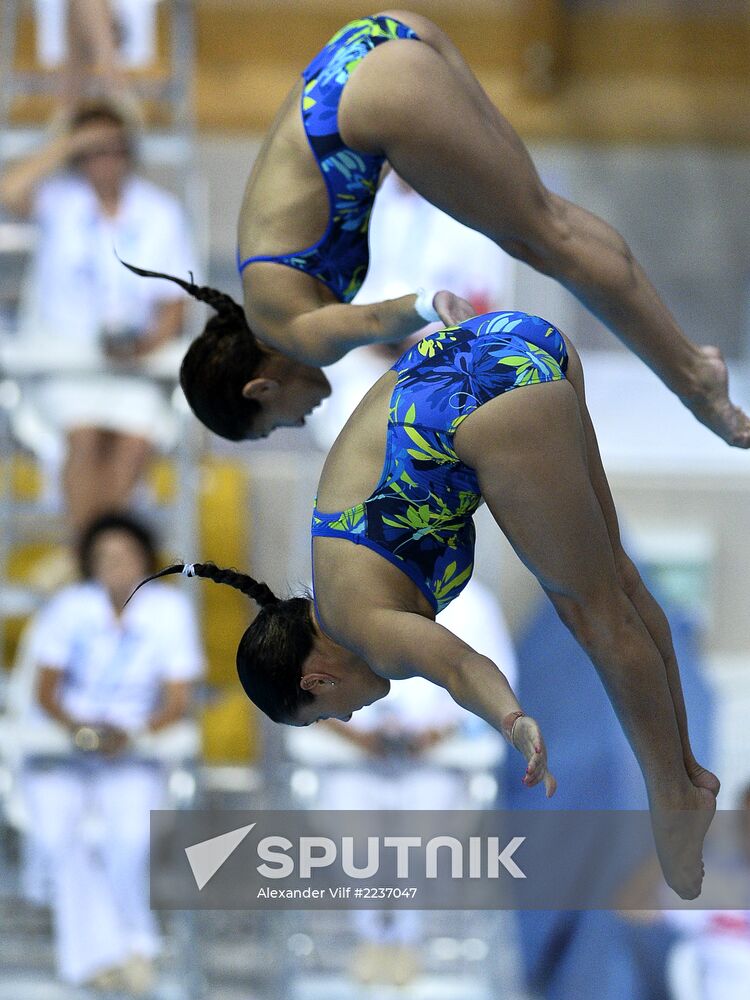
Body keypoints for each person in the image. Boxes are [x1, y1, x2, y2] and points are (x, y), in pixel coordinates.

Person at [131, 307, 718, 900]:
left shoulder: (359, 624)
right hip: (510, 343)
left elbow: (460, 667)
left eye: (331, 713)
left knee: (594, 616)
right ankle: (686, 771)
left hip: (486, 402)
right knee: (619, 584)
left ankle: (671, 797)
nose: (350, 718)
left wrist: (511, 722)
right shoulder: (335, 576)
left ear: (316, 680)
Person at [125, 11, 748, 448]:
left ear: (261, 388)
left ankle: (694, 380)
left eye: (279, 423)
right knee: (543, 225)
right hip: (372, 44)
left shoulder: (285, 330)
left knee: (545, 239)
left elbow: (368, 323)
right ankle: (689, 363)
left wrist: (426, 306)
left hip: (374, 96)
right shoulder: (261, 287)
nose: (302, 418)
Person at [20, 512, 203, 992]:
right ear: (89, 563)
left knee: (127, 840)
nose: (115, 567)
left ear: (146, 561)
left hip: (134, 744)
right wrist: (81, 731)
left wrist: (133, 734)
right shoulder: (67, 608)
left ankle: (124, 950)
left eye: (125, 557)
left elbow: (179, 700)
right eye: (104, 557)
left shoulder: (169, 611)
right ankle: (111, 955)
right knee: (62, 838)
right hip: (65, 742)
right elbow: (45, 692)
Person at [0, 98, 194, 532]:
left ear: (129, 151)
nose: (105, 160)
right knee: (83, 438)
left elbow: (174, 302)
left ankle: (99, 556)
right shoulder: (59, 200)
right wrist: (65, 142)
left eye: (113, 148)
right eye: (92, 151)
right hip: (63, 356)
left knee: (132, 443)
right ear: (76, 156)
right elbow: (8, 191)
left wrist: (146, 347)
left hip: (138, 359)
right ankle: (93, 556)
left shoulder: (160, 212)